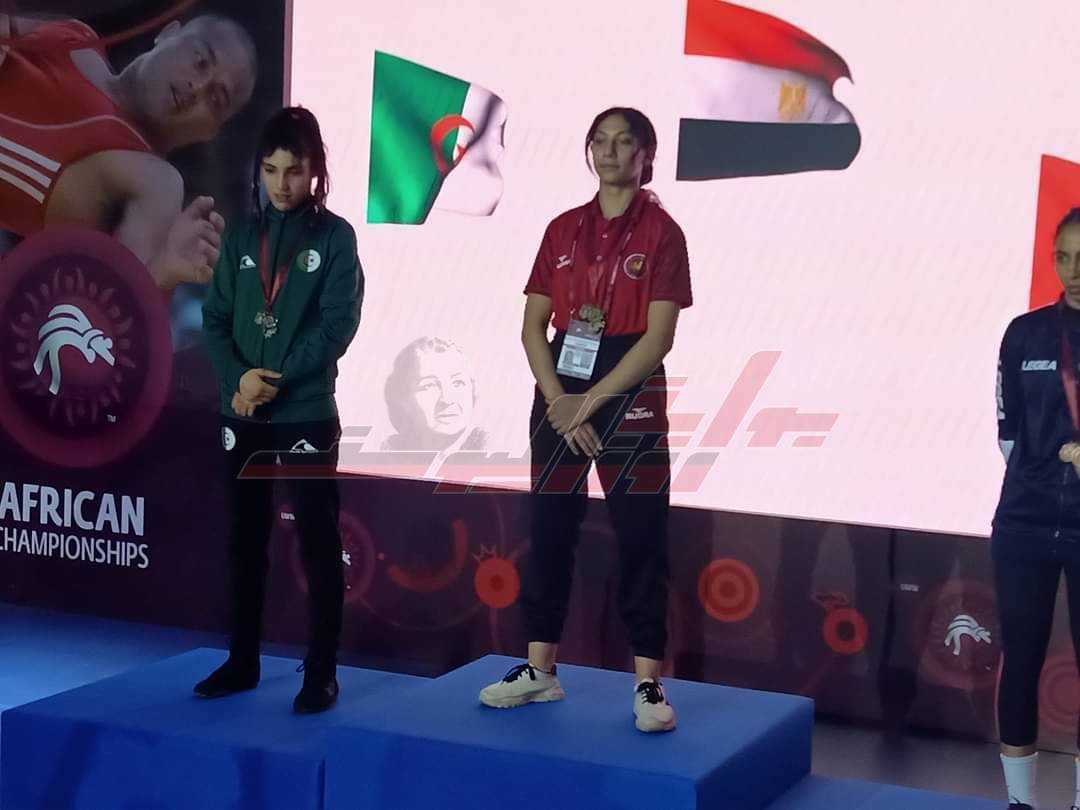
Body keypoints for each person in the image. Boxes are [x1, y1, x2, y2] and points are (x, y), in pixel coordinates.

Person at [478, 107, 692, 733]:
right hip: (560, 380)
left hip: (629, 385)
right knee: (549, 528)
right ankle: (540, 669)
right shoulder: (562, 229)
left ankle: (648, 682)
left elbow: (659, 338)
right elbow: (532, 325)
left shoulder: (663, 234)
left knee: (641, 535)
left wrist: (589, 401)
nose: (610, 152)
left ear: (646, 156)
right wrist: (557, 400)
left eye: (624, 143)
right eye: (600, 141)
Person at [196, 106, 363, 714]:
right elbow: (215, 318)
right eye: (270, 170)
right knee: (244, 538)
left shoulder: (335, 237)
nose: (282, 183)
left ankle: (321, 673)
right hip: (240, 409)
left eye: (293, 170)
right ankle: (242, 661)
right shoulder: (243, 235)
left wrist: (276, 380)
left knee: (317, 539)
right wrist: (238, 378)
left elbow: (337, 324)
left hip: (304, 413)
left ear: (315, 169)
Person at [0, 10, 258, 292]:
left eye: (215, 98)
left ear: (208, 132)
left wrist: (162, 271)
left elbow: (118, 305)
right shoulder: (75, 35)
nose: (196, 88)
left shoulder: (155, 182)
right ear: (167, 33)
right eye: (199, 61)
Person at [993, 207, 1080, 809]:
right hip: (1024, 522)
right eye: (1064, 257)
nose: (1074, 271)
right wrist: (1045, 473)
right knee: (1020, 659)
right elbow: (1007, 433)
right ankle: (1019, 803)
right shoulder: (1024, 334)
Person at [381, 336, 488, 453]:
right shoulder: (383, 457)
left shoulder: (491, 452)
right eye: (429, 385)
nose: (447, 399)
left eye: (457, 383)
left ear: (473, 390)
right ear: (403, 399)